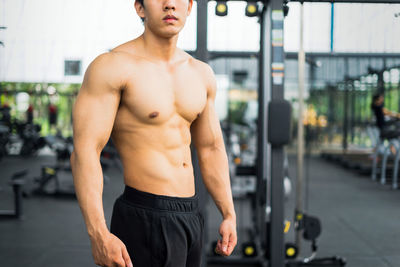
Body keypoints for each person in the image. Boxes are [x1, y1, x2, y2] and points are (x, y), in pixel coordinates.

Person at [70, 0, 237, 266]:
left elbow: (211, 147)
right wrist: (98, 233)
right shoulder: (112, 66)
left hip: (191, 215)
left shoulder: (201, 73)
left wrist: (228, 213)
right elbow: (85, 151)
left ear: (190, 7)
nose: (170, 4)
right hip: (145, 215)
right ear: (140, 8)